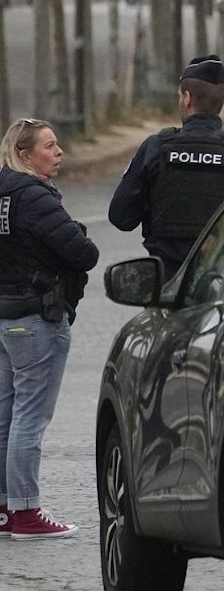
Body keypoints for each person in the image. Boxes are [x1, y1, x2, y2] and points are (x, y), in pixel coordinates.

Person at [0, 118, 99, 538]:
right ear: (26, 156)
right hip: (36, 316)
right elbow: (82, 252)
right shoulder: (35, 196)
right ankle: (26, 512)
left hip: (5, 317)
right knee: (29, 416)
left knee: (5, 415)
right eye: (49, 146)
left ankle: (4, 509)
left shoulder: (3, 193)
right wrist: (80, 234)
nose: (58, 153)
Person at [108, 56, 224, 278]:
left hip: (167, 284)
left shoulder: (156, 149)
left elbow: (121, 217)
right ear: (221, 101)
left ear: (186, 98)